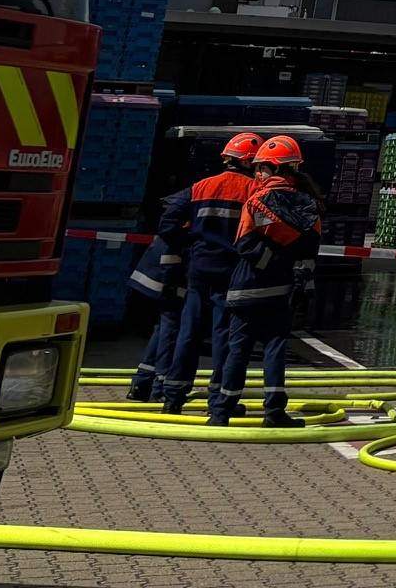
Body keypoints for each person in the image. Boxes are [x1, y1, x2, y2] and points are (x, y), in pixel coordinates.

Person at [129, 134, 258, 402]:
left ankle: (173, 393)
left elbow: (168, 224)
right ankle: (219, 396)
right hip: (229, 270)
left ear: (226, 158)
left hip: (197, 268)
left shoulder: (200, 187)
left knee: (188, 330)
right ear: (250, 162)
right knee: (223, 333)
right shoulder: (253, 191)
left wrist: (192, 243)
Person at [213, 135, 321, 428]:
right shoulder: (309, 203)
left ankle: (222, 411)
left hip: (248, 285)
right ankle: (274, 412)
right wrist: (293, 276)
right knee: (275, 350)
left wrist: (268, 264)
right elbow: (310, 250)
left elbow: (245, 245)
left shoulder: (257, 201)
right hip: (283, 288)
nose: (257, 173)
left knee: (238, 351)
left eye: (260, 168)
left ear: (273, 169)